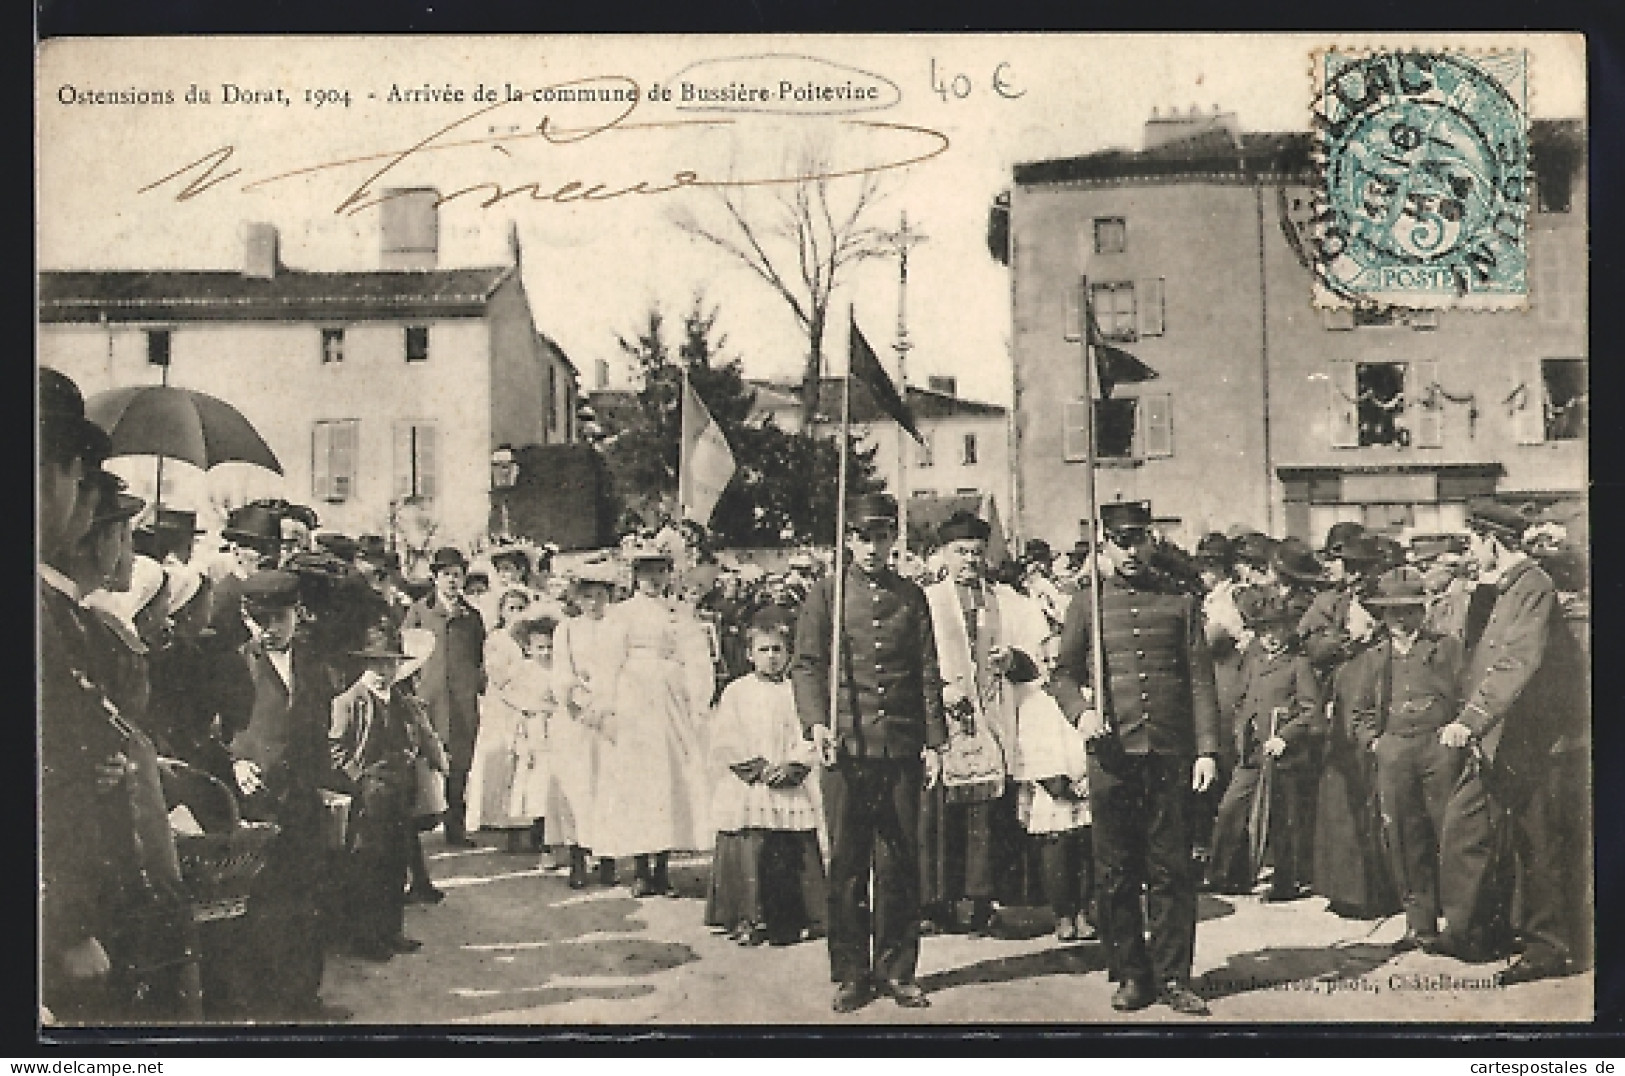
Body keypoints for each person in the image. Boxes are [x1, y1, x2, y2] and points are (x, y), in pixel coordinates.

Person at [1049, 500, 1220, 1016]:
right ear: (1105, 545)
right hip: (1112, 754)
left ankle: (1174, 977)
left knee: (1171, 869)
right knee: (1116, 871)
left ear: (1152, 542)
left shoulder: (1180, 602)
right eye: (1120, 542)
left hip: (1168, 751)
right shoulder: (1087, 603)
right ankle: (1131, 974)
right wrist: (1080, 712)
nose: (1131, 551)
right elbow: (1062, 674)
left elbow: (1199, 681)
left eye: (1139, 540)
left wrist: (1207, 749)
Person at [791, 492, 948, 1013]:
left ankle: (898, 969)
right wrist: (816, 724)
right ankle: (852, 972)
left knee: (900, 862)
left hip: (900, 745)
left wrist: (935, 742)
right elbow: (807, 665)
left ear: (893, 540)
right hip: (846, 748)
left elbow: (927, 671)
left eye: (882, 537)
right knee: (850, 864)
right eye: (862, 537)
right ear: (848, 540)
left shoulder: (912, 598)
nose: (873, 547)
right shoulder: (826, 595)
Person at [1434, 501, 1590, 983]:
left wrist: (1472, 720)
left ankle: (1547, 949)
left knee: (1536, 840)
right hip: (1495, 735)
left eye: (1473, 542)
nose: (1469, 552)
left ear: (1492, 540)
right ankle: (1473, 930)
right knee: (1467, 828)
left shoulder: (1533, 586)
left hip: (1532, 736)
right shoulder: (1497, 588)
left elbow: (1517, 661)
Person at [918, 510, 1049, 936]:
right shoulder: (926, 600)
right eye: (960, 553)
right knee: (939, 815)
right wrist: (939, 690)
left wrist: (1012, 659)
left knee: (985, 816)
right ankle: (936, 903)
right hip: (943, 718)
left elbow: (1037, 662)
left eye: (976, 552)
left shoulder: (1007, 601)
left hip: (994, 718)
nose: (969, 561)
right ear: (944, 555)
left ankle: (979, 901)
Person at [227, 569, 344, 1020]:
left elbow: (319, 728)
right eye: (260, 619)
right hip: (257, 799)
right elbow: (217, 727)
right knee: (259, 904)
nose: (270, 629)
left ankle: (304, 998)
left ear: (298, 615)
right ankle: (263, 1003)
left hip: (302, 798)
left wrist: (326, 782)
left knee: (307, 898)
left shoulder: (315, 664)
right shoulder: (236, 661)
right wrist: (235, 762)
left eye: (279, 618)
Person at [1342, 569, 1466, 952]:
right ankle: (1419, 925)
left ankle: (1462, 925)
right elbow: (1358, 713)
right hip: (1395, 750)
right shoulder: (1373, 659)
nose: (1399, 620)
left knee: (1452, 832)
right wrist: (1375, 743)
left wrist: (1457, 731)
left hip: (1438, 747)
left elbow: (1466, 693)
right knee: (1404, 837)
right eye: (1391, 613)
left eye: (1408, 611)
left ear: (1421, 612)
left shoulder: (1446, 648)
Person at [590, 546, 715, 896]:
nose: (653, 579)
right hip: (634, 704)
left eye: (659, 571)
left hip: (671, 703)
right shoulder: (621, 615)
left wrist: (697, 701)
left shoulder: (679, 613)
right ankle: (641, 868)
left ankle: (662, 866)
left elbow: (696, 658)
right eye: (646, 572)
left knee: (669, 780)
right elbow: (606, 663)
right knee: (639, 782)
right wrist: (608, 707)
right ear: (634, 576)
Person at [705, 609, 827, 946]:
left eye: (778, 650)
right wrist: (758, 769)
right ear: (749, 654)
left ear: (788, 653)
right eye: (764, 650)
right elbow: (726, 737)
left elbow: (808, 733)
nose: (771, 658)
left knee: (794, 846)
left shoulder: (796, 691)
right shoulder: (737, 692)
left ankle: (797, 915)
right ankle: (749, 915)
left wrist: (793, 766)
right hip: (753, 781)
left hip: (787, 778)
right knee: (751, 842)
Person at [1299, 530, 1399, 919]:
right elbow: (1310, 646)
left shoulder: (1388, 594)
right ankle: (1351, 891)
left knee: (1383, 794)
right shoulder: (1329, 603)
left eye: (1361, 567)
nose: (1355, 575)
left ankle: (1389, 888)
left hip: (1386, 700)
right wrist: (1347, 638)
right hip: (1344, 707)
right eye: (1348, 566)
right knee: (1343, 797)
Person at [1205, 587, 1322, 901]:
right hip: (1251, 749)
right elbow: (1242, 698)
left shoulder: (1298, 664)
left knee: (1281, 818)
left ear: (1287, 630)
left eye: (1276, 630)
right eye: (1264, 630)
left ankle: (1286, 883)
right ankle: (1224, 875)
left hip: (1282, 753)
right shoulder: (1253, 661)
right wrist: (1242, 728)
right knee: (1231, 807)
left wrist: (1285, 736)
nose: (1271, 637)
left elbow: (1312, 711)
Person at [327, 618, 425, 961]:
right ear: (365, 663)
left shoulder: (399, 698)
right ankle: (366, 938)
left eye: (391, 662)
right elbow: (336, 748)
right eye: (378, 662)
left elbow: (412, 735)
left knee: (396, 862)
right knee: (369, 867)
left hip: (398, 789)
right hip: (369, 794)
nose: (385, 670)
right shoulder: (349, 700)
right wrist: (359, 779)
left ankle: (391, 930)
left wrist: (411, 757)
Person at [1011, 635, 1096, 942]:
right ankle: (1063, 913)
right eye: (1045, 661)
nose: (1051, 667)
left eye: (1057, 660)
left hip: (1086, 785)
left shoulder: (1087, 697)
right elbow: (1032, 747)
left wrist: (1088, 779)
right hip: (1053, 790)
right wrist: (1058, 784)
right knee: (1057, 852)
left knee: (1087, 851)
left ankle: (1085, 910)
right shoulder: (1033, 700)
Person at [403, 547, 488, 848]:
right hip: (430, 697)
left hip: (463, 700)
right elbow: (405, 653)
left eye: (457, 575)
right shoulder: (419, 611)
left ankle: (456, 827)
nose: (452, 581)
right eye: (445, 575)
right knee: (423, 759)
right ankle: (415, 823)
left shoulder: (472, 617)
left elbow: (478, 657)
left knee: (460, 763)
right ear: (435, 578)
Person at [552, 561, 620, 887]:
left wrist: (609, 704)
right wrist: (578, 699)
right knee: (578, 786)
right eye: (587, 596)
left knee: (608, 785)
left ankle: (608, 857)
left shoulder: (618, 628)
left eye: (600, 595)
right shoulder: (566, 629)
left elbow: (624, 671)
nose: (594, 603)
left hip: (610, 716)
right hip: (577, 717)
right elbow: (562, 673)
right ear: (576, 599)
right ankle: (577, 857)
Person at [467, 613, 554, 852]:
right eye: (540, 648)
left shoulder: (558, 670)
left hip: (554, 732)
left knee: (550, 785)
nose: (545, 653)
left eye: (549, 648)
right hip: (531, 730)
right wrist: (533, 709)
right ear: (528, 648)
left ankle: (549, 836)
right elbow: (512, 694)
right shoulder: (524, 671)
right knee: (527, 784)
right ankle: (526, 835)